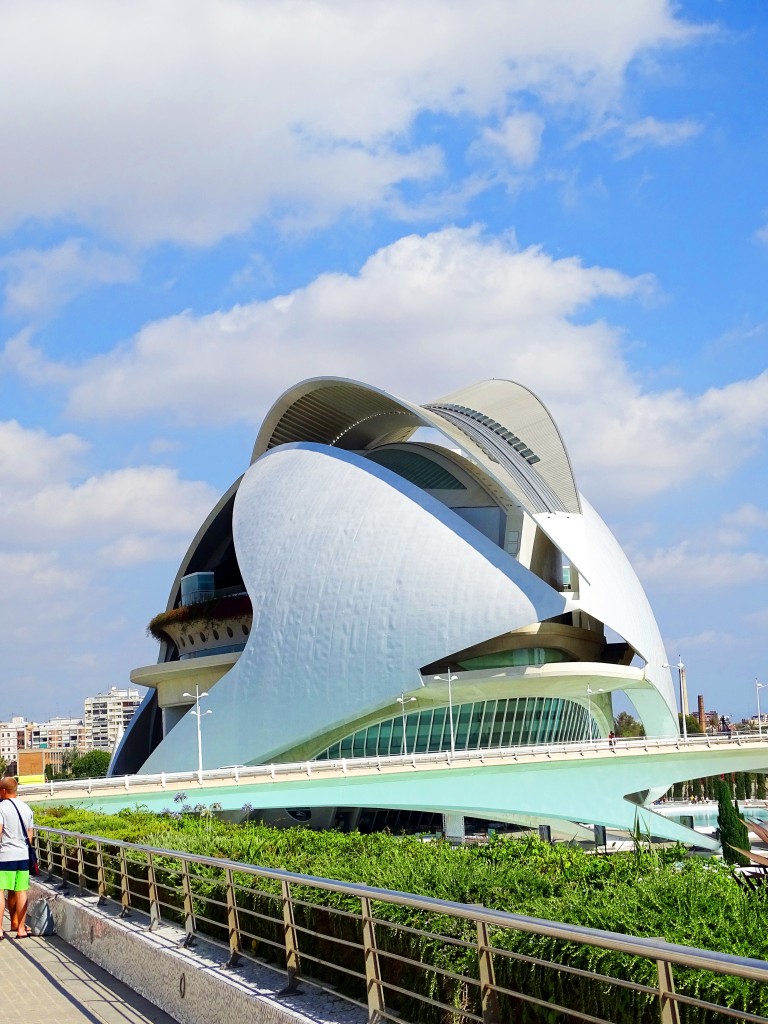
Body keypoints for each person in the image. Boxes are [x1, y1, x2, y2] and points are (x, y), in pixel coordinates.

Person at [0, 776, 34, 938]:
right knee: (21, 891)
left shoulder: (1, 808)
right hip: (23, 856)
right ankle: (21, 929)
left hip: (4, 855)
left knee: (0, 891)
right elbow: (30, 835)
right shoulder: (26, 808)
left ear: (3, 790)